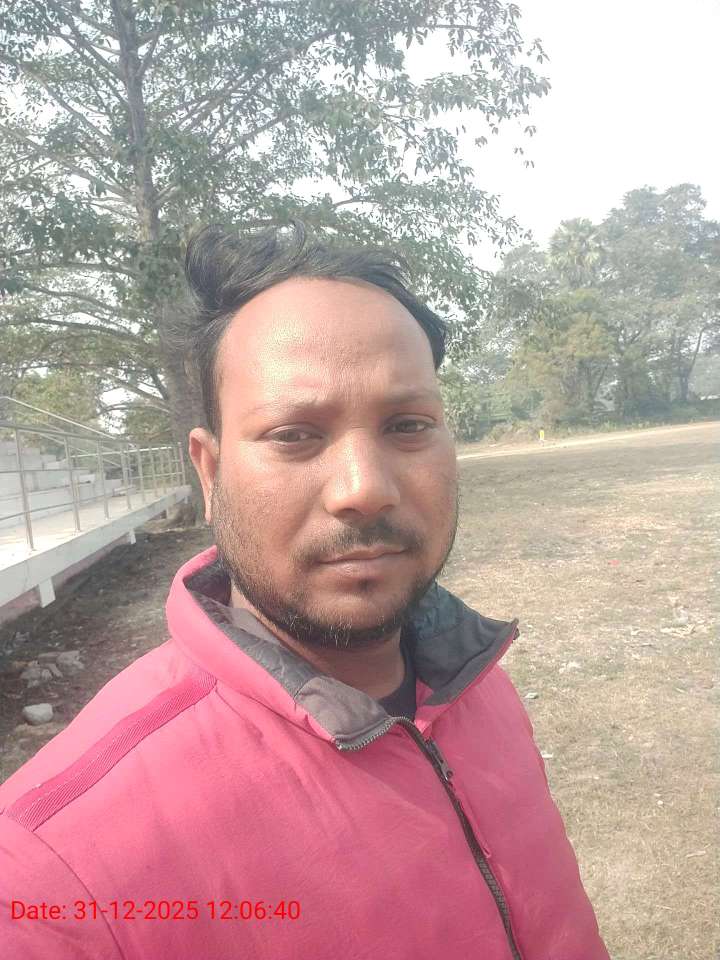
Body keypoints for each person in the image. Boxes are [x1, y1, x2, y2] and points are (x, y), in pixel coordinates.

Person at [0, 223, 610, 959]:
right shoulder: (52, 875)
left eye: (407, 425)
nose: (364, 489)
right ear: (210, 471)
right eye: (294, 434)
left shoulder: (476, 685)